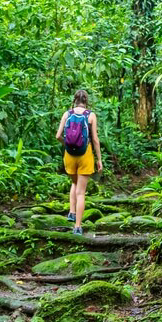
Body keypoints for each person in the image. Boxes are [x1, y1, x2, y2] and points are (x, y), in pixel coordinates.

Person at [56, 90, 102, 235]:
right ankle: (77, 227)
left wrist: (68, 144)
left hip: (69, 155)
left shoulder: (67, 114)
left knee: (74, 183)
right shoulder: (91, 115)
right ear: (86, 100)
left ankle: (71, 212)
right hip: (85, 155)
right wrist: (99, 159)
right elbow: (95, 139)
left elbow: (58, 136)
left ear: (75, 100)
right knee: (81, 192)